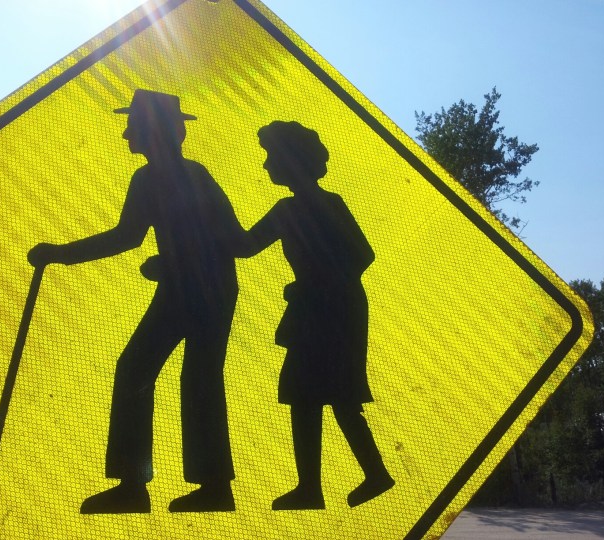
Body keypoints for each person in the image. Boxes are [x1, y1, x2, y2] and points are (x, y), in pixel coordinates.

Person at [28, 90, 240, 514]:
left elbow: (228, 235)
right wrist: (62, 254)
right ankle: (134, 485)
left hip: (209, 288)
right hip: (182, 286)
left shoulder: (193, 175)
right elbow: (127, 236)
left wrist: (174, 261)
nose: (126, 134)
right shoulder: (146, 180)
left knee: (194, 378)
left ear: (153, 130)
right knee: (137, 370)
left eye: (133, 126)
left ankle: (211, 487)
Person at [237, 121, 394, 509]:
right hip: (320, 307)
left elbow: (363, 255)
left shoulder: (321, 205)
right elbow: (245, 245)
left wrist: (315, 284)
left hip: (335, 310)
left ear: (291, 160)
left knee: (334, 392)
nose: (266, 165)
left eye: (271, 156)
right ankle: (314, 486)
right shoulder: (287, 210)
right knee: (305, 393)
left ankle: (369, 475)